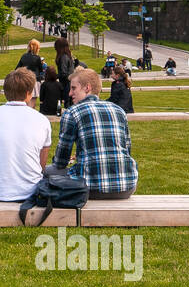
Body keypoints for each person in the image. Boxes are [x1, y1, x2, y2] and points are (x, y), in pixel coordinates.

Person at [50, 68, 137, 199]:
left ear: (87, 88)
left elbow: (60, 161)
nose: (69, 93)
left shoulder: (72, 112)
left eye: (73, 88)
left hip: (90, 187)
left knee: (47, 172)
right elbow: (127, 150)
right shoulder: (119, 110)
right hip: (127, 186)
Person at [0, 68, 53, 202]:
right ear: (28, 93)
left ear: (5, 92)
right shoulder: (42, 120)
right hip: (31, 190)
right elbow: (41, 165)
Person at [55, 38, 75, 108]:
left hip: (66, 84)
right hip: (69, 82)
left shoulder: (63, 57)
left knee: (68, 104)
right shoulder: (68, 56)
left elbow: (63, 73)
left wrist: (54, 76)